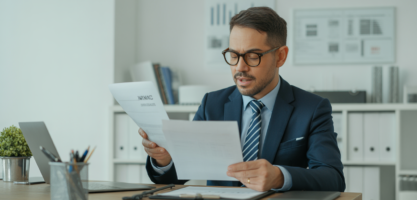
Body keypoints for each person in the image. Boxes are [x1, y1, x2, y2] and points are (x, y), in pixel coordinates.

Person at [139, 7, 345, 192]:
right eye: (234, 55)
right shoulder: (212, 104)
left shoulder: (312, 108)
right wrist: (165, 160)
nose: (239, 68)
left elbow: (332, 177)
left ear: (280, 56)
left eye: (253, 56)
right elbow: (178, 175)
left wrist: (280, 177)